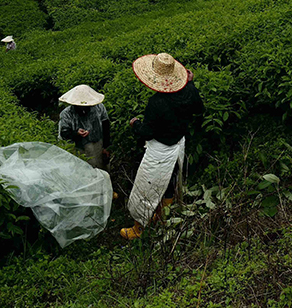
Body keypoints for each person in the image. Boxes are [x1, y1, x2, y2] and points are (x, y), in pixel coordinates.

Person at [121, 53, 204, 240]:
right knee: (171, 179)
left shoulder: (157, 103)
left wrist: (135, 124)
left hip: (159, 150)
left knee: (146, 186)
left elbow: (147, 133)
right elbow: (199, 109)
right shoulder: (189, 91)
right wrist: (190, 83)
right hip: (178, 144)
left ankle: (139, 228)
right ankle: (164, 218)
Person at [58, 84, 111, 170]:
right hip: (80, 148)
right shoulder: (67, 114)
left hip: (98, 145)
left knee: (102, 169)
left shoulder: (99, 107)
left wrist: (106, 147)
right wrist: (76, 133)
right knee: (86, 171)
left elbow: (106, 126)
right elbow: (64, 133)